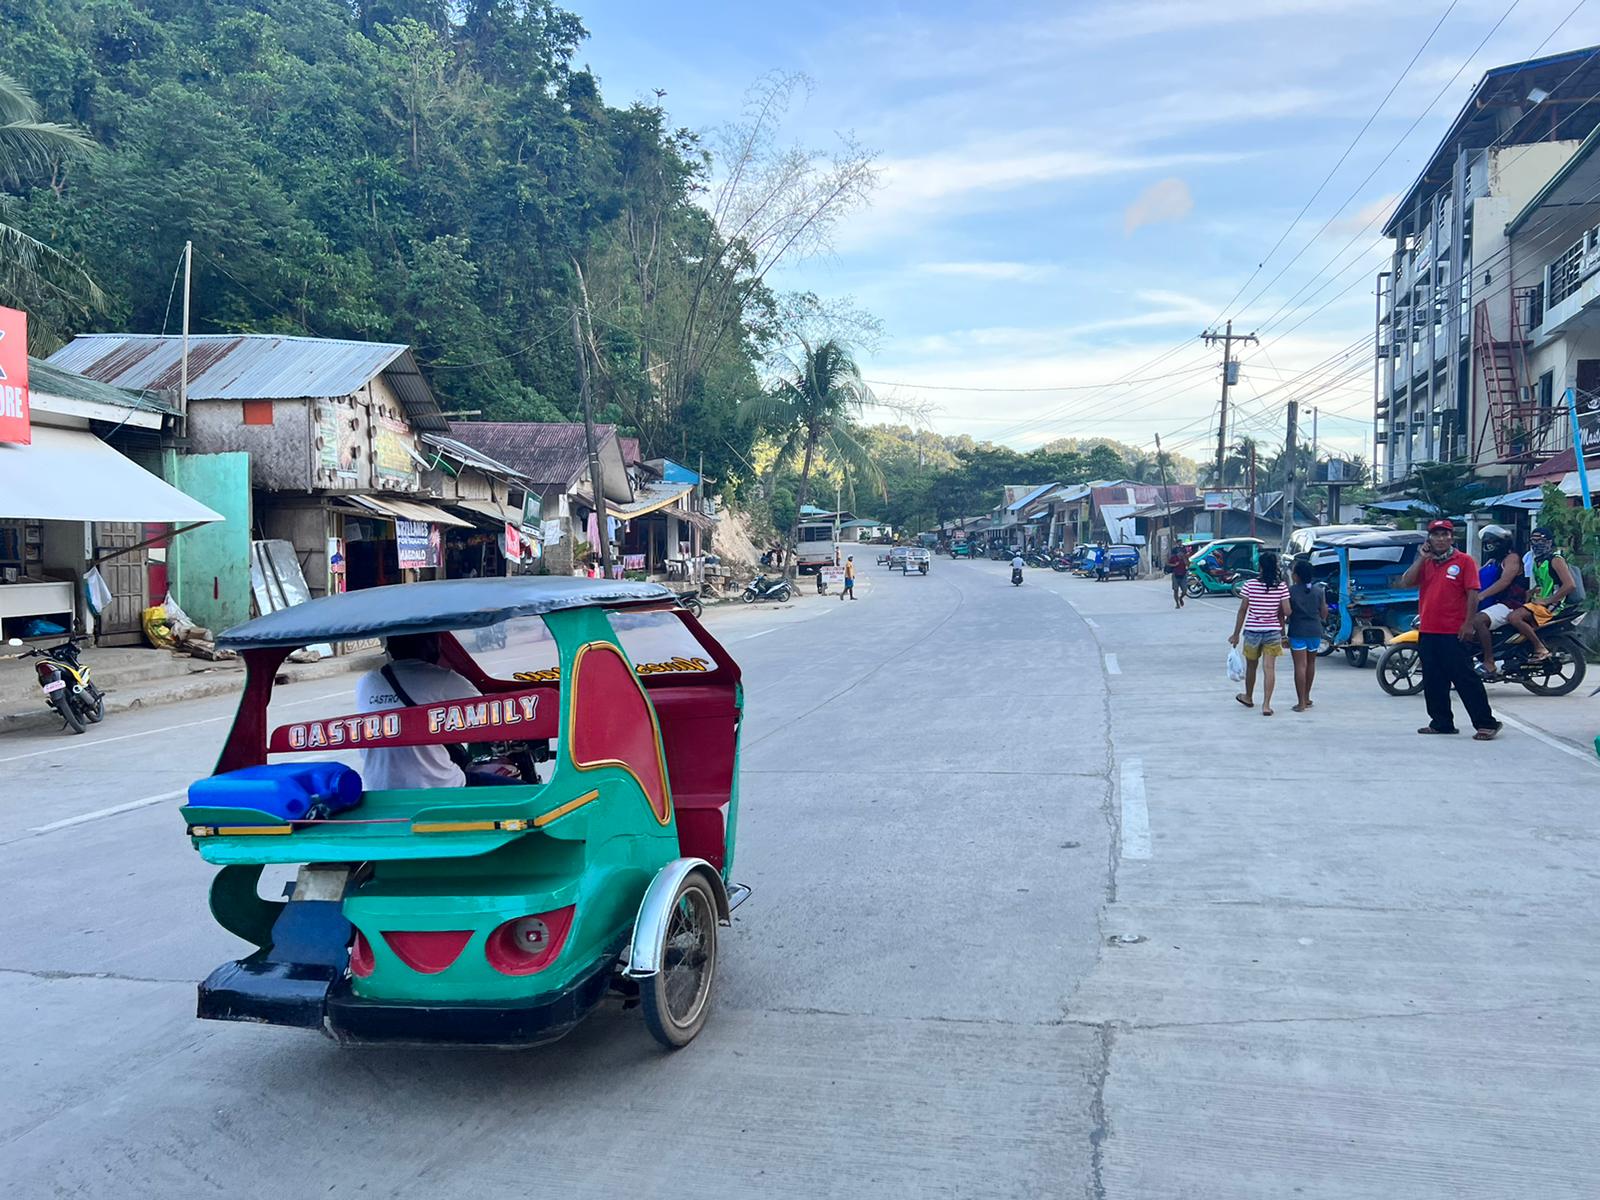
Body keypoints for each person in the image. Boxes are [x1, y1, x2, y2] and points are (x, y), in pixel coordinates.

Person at [355, 633, 517, 788]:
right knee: (523, 790)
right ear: (431, 644)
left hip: (380, 788)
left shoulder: (367, 681)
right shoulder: (445, 679)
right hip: (436, 786)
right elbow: (491, 717)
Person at [1398, 519, 1499, 740]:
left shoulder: (1464, 561)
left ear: (1452, 538)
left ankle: (1486, 723)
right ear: (1429, 539)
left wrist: (1468, 623)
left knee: (1464, 678)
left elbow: (1472, 593)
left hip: (1453, 630)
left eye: (1445, 535)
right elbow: (1406, 582)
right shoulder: (1426, 562)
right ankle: (1441, 722)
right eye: (1436, 535)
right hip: (1428, 629)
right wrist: (1421, 558)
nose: (1441, 539)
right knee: (1434, 680)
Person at [1230, 550, 1290, 715]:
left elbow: (1243, 610)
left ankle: (1248, 697)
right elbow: (1286, 610)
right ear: (1276, 567)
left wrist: (1236, 634)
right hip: (1272, 631)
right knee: (1269, 668)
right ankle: (1266, 705)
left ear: (1260, 566)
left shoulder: (1250, 585)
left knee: (1251, 667)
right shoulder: (1281, 586)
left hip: (1252, 631)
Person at [1508, 526, 1576, 661]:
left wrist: (1548, 600)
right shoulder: (1537, 561)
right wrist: (1532, 592)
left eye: (1540, 540)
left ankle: (1540, 647)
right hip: (1538, 602)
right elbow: (1544, 583)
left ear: (1549, 542)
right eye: (1533, 540)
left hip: (1553, 604)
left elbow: (1570, 585)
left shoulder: (1556, 560)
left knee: (1514, 617)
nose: (1536, 543)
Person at [1469, 524, 1524, 679]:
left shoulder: (1512, 558)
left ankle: (1489, 662)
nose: (1488, 546)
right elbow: (1475, 576)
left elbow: (1504, 582)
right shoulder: (1493, 560)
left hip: (1511, 603)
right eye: (1486, 544)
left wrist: (1482, 595)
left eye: (1491, 543)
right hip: (1496, 603)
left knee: (1478, 621)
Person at [1286, 558, 1328, 712]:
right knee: (1311, 664)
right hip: (1315, 631)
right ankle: (1307, 697)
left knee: (1300, 666)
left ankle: (1301, 702)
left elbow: (1287, 612)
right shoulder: (1319, 591)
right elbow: (1324, 613)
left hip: (1297, 631)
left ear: (1297, 576)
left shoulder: (1291, 591)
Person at [1165, 540, 1192, 609]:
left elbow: (1188, 565)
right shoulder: (1173, 557)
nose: (1180, 554)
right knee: (1175, 590)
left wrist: (1185, 559)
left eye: (1182, 553)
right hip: (1175, 575)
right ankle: (1177, 603)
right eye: (1179, 553)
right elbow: (1167, 563)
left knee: (1185, 590)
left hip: (1183, 574)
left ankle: (1181, 598)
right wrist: (1174, 565)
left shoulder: (1185, 558)